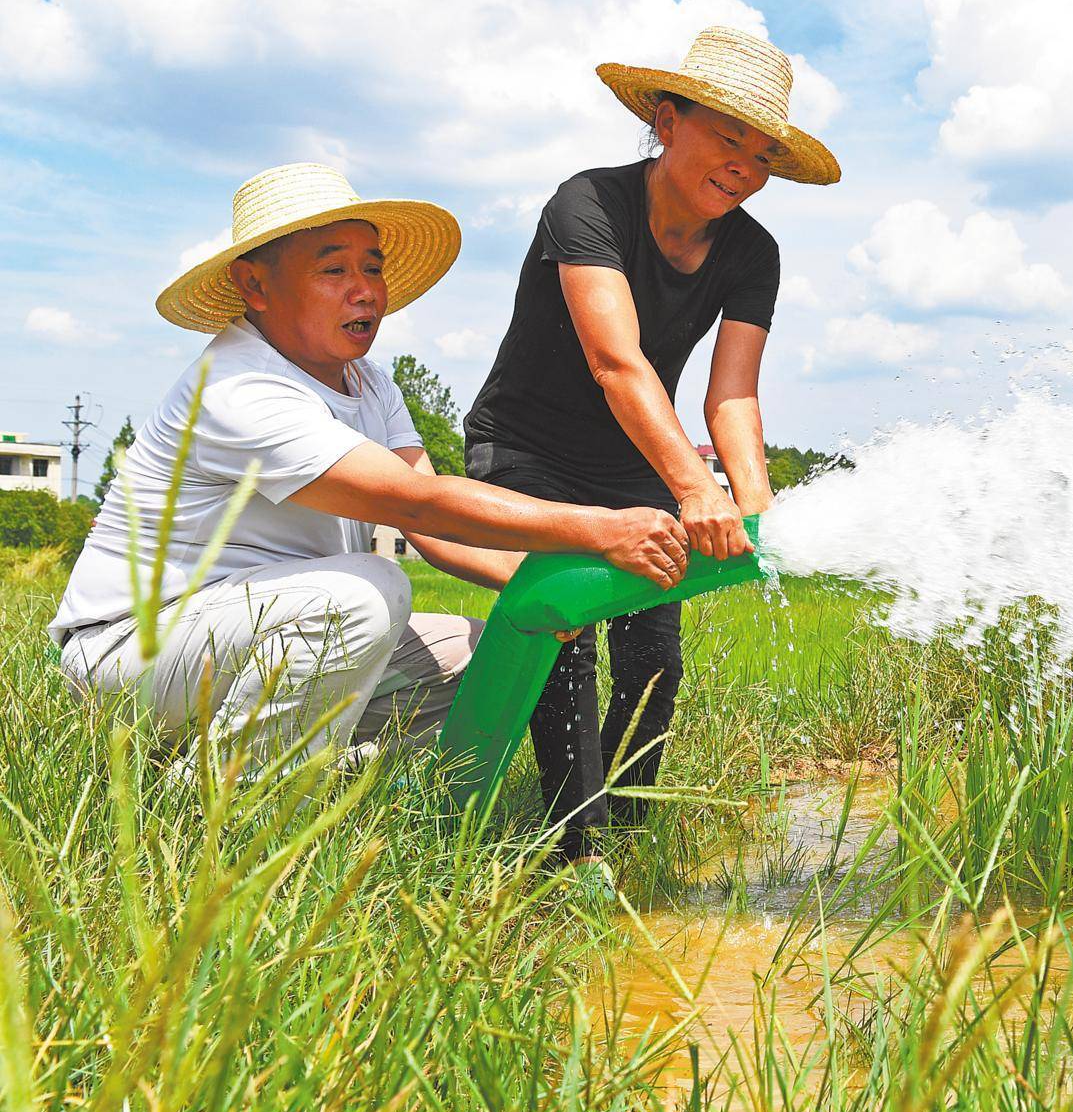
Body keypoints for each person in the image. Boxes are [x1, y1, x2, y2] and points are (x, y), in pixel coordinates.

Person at [50, 162, 694, 779]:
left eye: (372, 268)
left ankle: (304, 771)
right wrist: (602, 529)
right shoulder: (237, 387)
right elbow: (418, 503)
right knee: (362, 595)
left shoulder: (370, 385)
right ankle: (231, 800)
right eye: (334, 269)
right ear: (254, 285)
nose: (365, 290)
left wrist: (542, 601)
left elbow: (440, 534)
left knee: (505, 653)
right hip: (132, 653)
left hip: (256, 636)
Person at [464, 25, 840, 863]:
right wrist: (692, 489)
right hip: (528, 448)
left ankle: (628, 837)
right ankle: (577, 856)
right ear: (667, 120)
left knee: (654, 657)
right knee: (569, 639)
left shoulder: (753, 252)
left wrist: (752, 501)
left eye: (762, 154)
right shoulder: (588, 203)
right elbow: (617, 361)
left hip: (631, 460)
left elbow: (732, 391)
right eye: (726, 135)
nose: (743, 165)